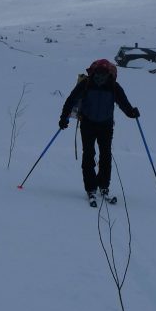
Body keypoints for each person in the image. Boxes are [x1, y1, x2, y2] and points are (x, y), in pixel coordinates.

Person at [59, 59, 139, 203]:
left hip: (98, 124)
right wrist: (131, 112)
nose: (101, 77)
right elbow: (124, 104)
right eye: (99, 73)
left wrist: (131, 112)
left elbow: (71, 100)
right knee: (100, 155)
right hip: (96, 124)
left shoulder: (103, 85)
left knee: (96, 155)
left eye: (103, 73)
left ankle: (96, 187)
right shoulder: (106, 85)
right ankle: (97, 186)